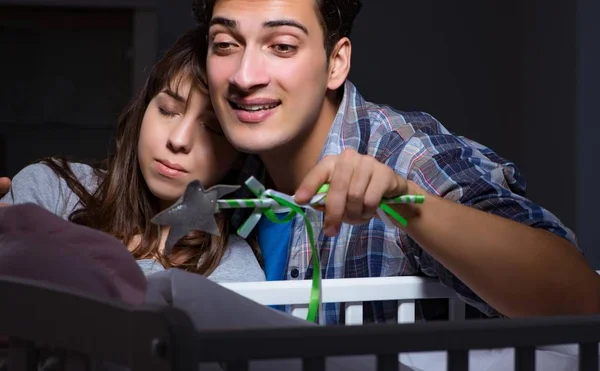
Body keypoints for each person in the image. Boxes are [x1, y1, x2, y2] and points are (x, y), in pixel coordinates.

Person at [193, 0, 600, 325]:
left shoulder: (405, 155)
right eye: (225, 45)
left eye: (282, 46)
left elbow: (582, 298)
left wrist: (405, 202)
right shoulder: (226, 170)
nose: (245, 76)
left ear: (336, 63)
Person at [0, 27, 265, 283]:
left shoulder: (235, 270)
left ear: (239, 153)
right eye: (167, 110)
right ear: (144, 110)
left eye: (211, 128)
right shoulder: (50, 191)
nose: (178, 140)